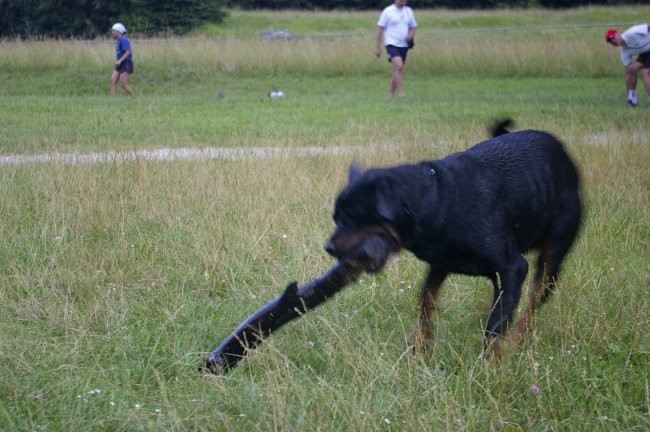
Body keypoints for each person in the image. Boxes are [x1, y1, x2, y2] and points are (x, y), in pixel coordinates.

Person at [375, 0, 417, 99]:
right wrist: (377, 47)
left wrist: (410, 35)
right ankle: (401, 94)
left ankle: (391, 95)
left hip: (404, 45)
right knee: (399, 65)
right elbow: (380, 29)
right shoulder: (388, 11)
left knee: (397, 69)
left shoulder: (408, 11)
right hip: (391, 44)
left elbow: (413, 26)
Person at [605, 24, 650, 107]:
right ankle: (631, 98)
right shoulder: (624, 50)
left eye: (613, 38)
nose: (613, 41)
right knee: (631, 69)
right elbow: (629, 71)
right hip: (646, 53)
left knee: (645, 72)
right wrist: (628, 92)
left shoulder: (631, 33)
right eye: (610, 41)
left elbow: (648, 26)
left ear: (618, 34)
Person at [110, 23, 135, 97]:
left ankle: (134, 98)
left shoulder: (123, 39)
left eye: (113, 31)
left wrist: (120, 60)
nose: (112, 33)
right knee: (112, 81)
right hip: (119, 63)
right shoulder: (118, 40)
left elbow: (128, 52)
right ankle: (113, 100)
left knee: (123, 84)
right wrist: (118, 61)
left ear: (119, 31)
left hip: (126, 62)